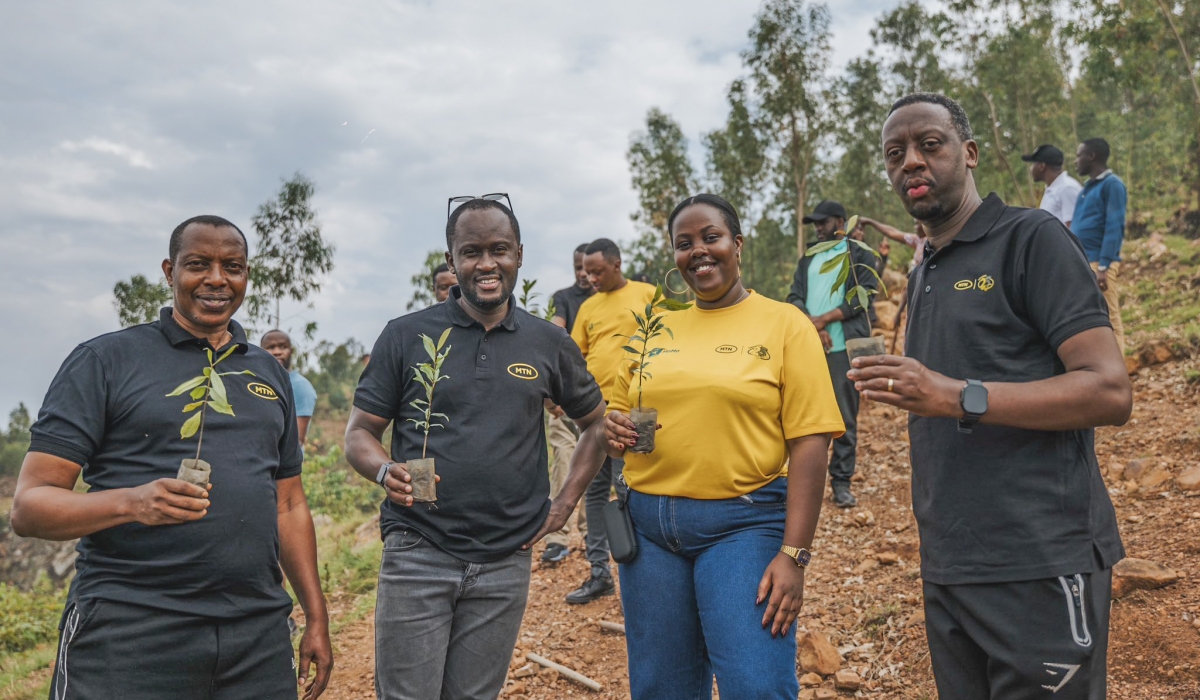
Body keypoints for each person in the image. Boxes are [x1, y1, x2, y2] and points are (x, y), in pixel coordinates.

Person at [851, 92, 1130, 700]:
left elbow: (1109, 390)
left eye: (930, 145)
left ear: (970, 153)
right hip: (950, 563)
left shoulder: (1032, 238)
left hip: (1039, 559)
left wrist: (956, 396)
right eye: (895, 154)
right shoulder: (927, 264)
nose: (911, 164)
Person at [12, 215, 332, 700]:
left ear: (247, 275)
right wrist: (132, 503)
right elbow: (29, 507)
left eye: (233, 266)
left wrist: (316, 615)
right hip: (129, 632)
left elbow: (288, 504)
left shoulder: (268, 373)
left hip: (256, 635)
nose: (217, 279)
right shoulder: (106, 361)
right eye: (198, 264)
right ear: (169, 271)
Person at [345, 197, 609, 700]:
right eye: (471, 252)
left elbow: (594, 426)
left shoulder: (547, 343)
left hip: (505, 561)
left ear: (519, 255)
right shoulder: (406, 336)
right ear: (451, 260)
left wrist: (565, 502)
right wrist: (385, 472)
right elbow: (359, 433)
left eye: (499, 250)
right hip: (417, 550)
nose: (486, 264)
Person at [604, 193, 844, 699]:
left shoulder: (784, 324)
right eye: (684, 243)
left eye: (711, 237)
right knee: (660, 688)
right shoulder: (655, 328)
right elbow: (617, 408)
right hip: (648, 530)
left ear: (737, 243)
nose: (699, 252)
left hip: (743, 525)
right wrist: (612, 426)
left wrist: (795, 555)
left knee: (756, 686)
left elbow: (810, 442)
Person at [566, 237, 655, 604]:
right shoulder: (588, 306)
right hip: (595, 412)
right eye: (587, 272)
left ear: (617, 265)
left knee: (637, 486)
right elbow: (575, 354)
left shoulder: (649, 294)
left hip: (640, 408)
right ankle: (599, 573)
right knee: (596, 491)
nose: (591, 278)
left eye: (598, 271)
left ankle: (648, 572)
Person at [787, 200, 879, 508]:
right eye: (815, 223)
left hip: (844, 349)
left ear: (840, 221)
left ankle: (841, 483)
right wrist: (811, 326)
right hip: (810, 349)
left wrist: (824, 320)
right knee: (803, 417)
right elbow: (794, 296)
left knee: (844, 417)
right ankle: (801, 483)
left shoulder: (859, 255)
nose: (817, 227)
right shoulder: (808, 259)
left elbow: (864, 297)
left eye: (822, 222)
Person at [541, 243, 595, 565]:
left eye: (588, 268)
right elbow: (555, 330)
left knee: (595, 464)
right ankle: (557, 538)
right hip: (563, 392)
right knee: (562, 456)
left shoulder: (607, 300)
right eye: (578, 267)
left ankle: (592, 533)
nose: (583, 274)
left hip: (598, 394)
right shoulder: (564, 298)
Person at [1072, 137, 1128, 354]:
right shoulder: (1086, 188)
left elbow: (1115, 226)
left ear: (1092, 156)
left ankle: (1119, 376)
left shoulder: (1112, 184)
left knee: (1110, 317)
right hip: (1083, 262)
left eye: (1079, 155)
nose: (1076, 161)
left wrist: (1104, 267)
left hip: (1100, 264)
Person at [261, 329, 318, 445]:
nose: (277, 352)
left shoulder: (300, 386)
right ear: (260, 351)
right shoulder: (256, 381)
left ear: (291, 351)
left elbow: (297, 440)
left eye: (283, 347)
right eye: (271, 347)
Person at [1022, 144, 1082, 228]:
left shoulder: (1067, 188)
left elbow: (1073, 229)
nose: (1031, 168)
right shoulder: (1053, 188)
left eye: (1033, 164)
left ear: (1042, 166)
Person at [860, 216, 926, 270]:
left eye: (917, 223)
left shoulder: (932, 242)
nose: (914, 227)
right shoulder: (918, 240)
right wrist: (870, 222)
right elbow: (892, 232)